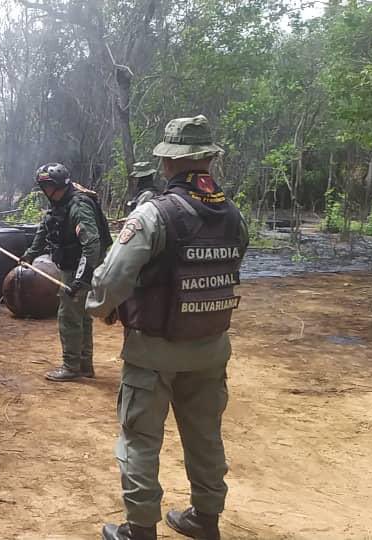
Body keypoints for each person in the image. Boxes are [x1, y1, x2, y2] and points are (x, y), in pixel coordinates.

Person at [86, 115, 247, 540]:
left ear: (167, 163)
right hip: (211, 348)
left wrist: (100, 307)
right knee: (205, 436)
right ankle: (204, 519)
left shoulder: (153, 214)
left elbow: (111, 277)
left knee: (140, 438)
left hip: (153, 352)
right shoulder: (234, 215)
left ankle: (139, 530)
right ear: (210, 160)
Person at [21, 163, 111, 381]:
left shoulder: (78, 205)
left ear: (54, 185)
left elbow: (91, 245)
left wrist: (80, 279)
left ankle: (71, 366)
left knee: (69, 316)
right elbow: (45, 228)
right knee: (81, 315)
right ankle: (84, 365)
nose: (43, 191)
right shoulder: (58, 203)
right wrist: (30, 254)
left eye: (45, 186)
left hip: (82, 265)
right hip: (72, 265)